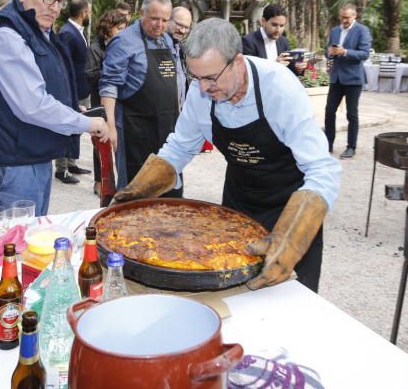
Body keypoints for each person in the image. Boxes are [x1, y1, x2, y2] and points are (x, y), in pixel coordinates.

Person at [113, 18, 340, 293]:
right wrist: (138, 190)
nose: (203, 89)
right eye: (196, 78)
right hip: (236, 208)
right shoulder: (202, 92)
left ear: (238, 63)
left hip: (291, 210)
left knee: (288, 300)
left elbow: (322, 170)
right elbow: (179, 147)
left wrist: (290, 239)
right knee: (234, 297)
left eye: (211, 78)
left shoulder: (278, 89)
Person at [0, 0, 108, 215]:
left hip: (32, 154)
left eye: (59, 0)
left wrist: (71, 107)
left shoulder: (37, 31)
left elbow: (41, 85)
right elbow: (32, 104)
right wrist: (85, 122)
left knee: (30, 244)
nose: (54, 6)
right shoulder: (7, 32)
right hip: (11, 160)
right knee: (12, 246)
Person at [100, 0, 182, 195]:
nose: (160, 25)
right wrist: (110, 125)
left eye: (165, 20)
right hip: (134, 128)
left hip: (167, 125)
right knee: (135, 190)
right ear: (141, 13)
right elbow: (109, 85)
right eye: (154, 18)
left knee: (168, 186)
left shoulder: (167, 41)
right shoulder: (124, 41)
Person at [86, 10, 129, 195]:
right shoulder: (95, 48)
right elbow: (89, 73)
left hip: (119, 104)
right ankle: (99, 181)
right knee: (101, 144)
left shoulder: (123, 46)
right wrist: (111, 72)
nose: (122, 33)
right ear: (108, 29)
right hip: (100, 102)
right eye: (119, 28)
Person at [324, 3, 371, 159]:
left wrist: (344, 52)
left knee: (352, 114)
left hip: (353, 79)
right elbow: (328, 51)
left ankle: (351, 147)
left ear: (354, 15)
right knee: (329, 111)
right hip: (336, 78)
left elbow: (364, 54)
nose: (343, 20)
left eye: (347, 18)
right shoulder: (335, 31)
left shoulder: (362, 31)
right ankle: (328, 143)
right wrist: (330, 52)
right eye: (342, 17)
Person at [54, 0, 93, 184]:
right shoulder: (68, 33)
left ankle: (71, 163)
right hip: (72, 90)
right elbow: (64, 65)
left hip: (81, 88)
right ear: (83, 13)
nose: (90, 15)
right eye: (89, 12)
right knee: (66, 128)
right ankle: (61, 169)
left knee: (76, 128)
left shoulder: (77, 31)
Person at [241, 3, 306, 77]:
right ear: (263, 21)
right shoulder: (248, 41)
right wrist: (275, 65)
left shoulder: (284, 41)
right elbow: (248, 71)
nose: (278, 30)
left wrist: (298, 68)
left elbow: (289, 70)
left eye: (282, 26)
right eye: (274, 25)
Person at [168, 6, 193, 107]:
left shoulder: (182, 49)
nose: (182, 31)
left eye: (186, 27)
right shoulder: (158, 48)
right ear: (168, 20)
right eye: (179, 25)